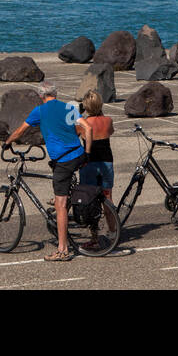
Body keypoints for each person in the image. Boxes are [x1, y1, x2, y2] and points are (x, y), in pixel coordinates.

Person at [4, 82, 86, 262]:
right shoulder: (68, 107)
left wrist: (7, 142)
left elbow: (20, 131)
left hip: (64, 160)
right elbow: (82, 127)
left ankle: (62, 249)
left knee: (61, 204)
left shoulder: (39, 111)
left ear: (42, 96)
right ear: (55, 93)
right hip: (78, 154)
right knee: (57, 173)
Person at [77, 91, 117, 245]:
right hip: (106, 162)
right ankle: (113, 231)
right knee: (107, 197)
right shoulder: (108, 120)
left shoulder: (84, 124)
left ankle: (94, 235)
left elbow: (75, 133)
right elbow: (110, 132)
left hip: (90, 164)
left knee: (91, 199)